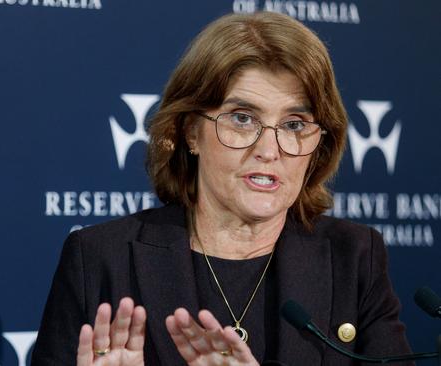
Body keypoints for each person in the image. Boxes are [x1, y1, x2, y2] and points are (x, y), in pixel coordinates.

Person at [32, 11, 412, 365]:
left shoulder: (355, 257)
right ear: (190, 132)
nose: (269, 150)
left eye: (295, 124)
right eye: (243, 119)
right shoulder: (100, 259)